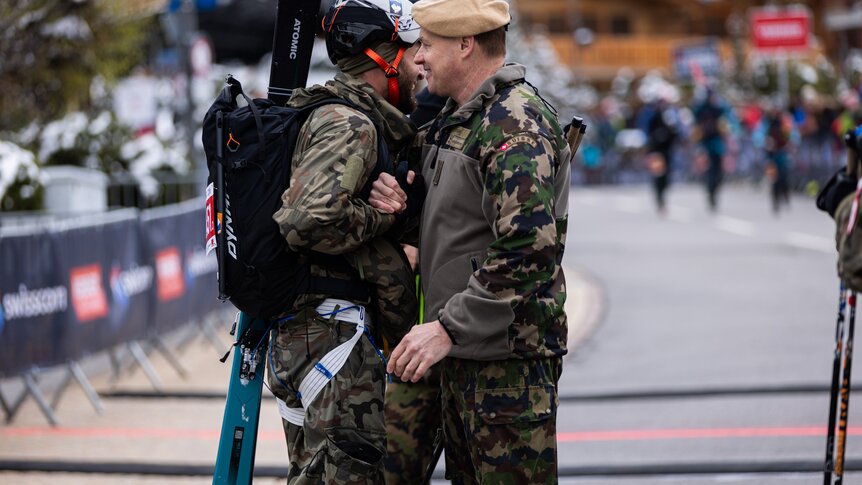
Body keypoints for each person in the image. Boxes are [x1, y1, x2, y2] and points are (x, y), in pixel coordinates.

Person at [372, 0, 571, 481]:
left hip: (506, 369)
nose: (417, 58)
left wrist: (447, 328)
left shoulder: (513, 124)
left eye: (427, 44)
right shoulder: (463, 119)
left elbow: (529, 247)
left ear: (465, 45)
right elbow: (459, 228)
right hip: (468, 357)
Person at [265, 0, 424, 482]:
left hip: (316, 333)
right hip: (332, 335)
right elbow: (305, 222)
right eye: (413, 50)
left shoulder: (347, 116)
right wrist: (381, 216)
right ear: (383, 58)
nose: (421, 63)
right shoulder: (349, 122)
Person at [692, 87, 732, 212]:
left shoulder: (718, 109)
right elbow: (694, 113)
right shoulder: (701, 109)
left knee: (718, 173)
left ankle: (714, 191)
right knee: (708, 171)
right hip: (704, 144)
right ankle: (709, 191)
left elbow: (727, 112)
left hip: (716, 144)